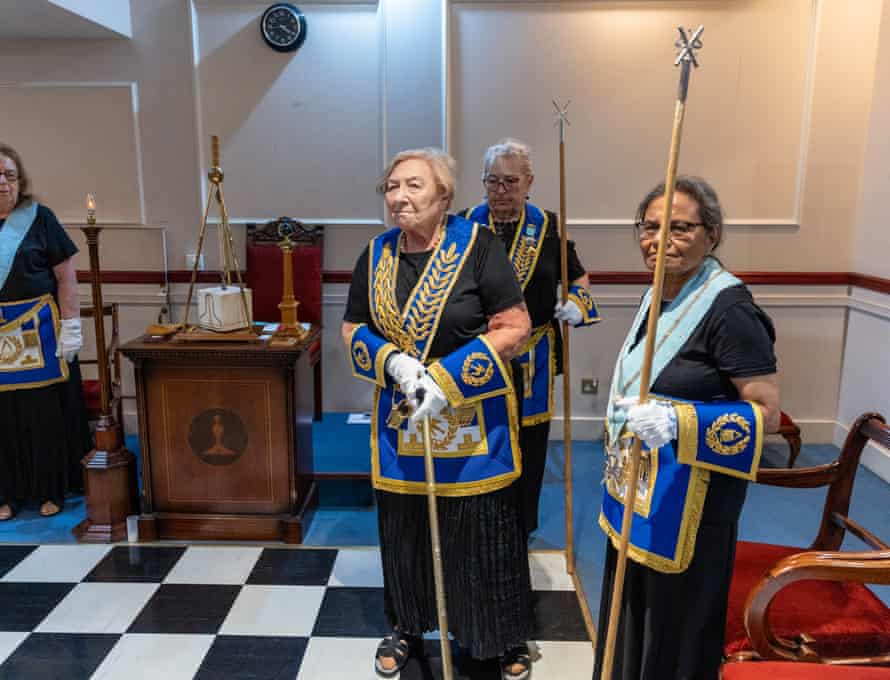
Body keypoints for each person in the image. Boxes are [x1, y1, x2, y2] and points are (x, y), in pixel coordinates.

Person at [342, 148, 535, 679]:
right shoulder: (376, 252)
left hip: (471, 417)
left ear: (444, 196)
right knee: (405, 529)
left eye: (414, 186)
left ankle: (499, 635)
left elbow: (513, 326)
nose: (399, 197)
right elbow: (352, 327)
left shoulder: (478, 246)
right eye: (392, 187)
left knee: (479, 529)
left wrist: (444, 380)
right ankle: (407, 624)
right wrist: (393, 362)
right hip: (402, 412)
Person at [593, 176, 781, 680]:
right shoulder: (661, 291)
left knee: (672, 631)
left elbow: (767, 415)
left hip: (694, 505)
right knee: (633, 616)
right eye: (651, 227)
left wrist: (679, 420)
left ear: (711, 234)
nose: (660, 240)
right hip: (641, 490)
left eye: (679, 228)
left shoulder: (730, 308)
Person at [460, 138, 600, 535]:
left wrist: (579, 301)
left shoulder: (550, 225)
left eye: (510, 182)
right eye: (493, 182)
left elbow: (576, 274)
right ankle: (479, 518)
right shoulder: (463, 223)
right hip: (479, 350)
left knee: (529, 439)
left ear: (529, 182)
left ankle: (521, 524)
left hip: (533, 354)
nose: (501, 191)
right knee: (480, 435)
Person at [0, 144, 91, 520]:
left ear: (20, 181)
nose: (2, 183)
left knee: (42, 415)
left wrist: (71, 325)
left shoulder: (40, 219)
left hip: (40, 334)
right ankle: (5, 493)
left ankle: (48, 490)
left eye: (9, 175)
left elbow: (65, 277)